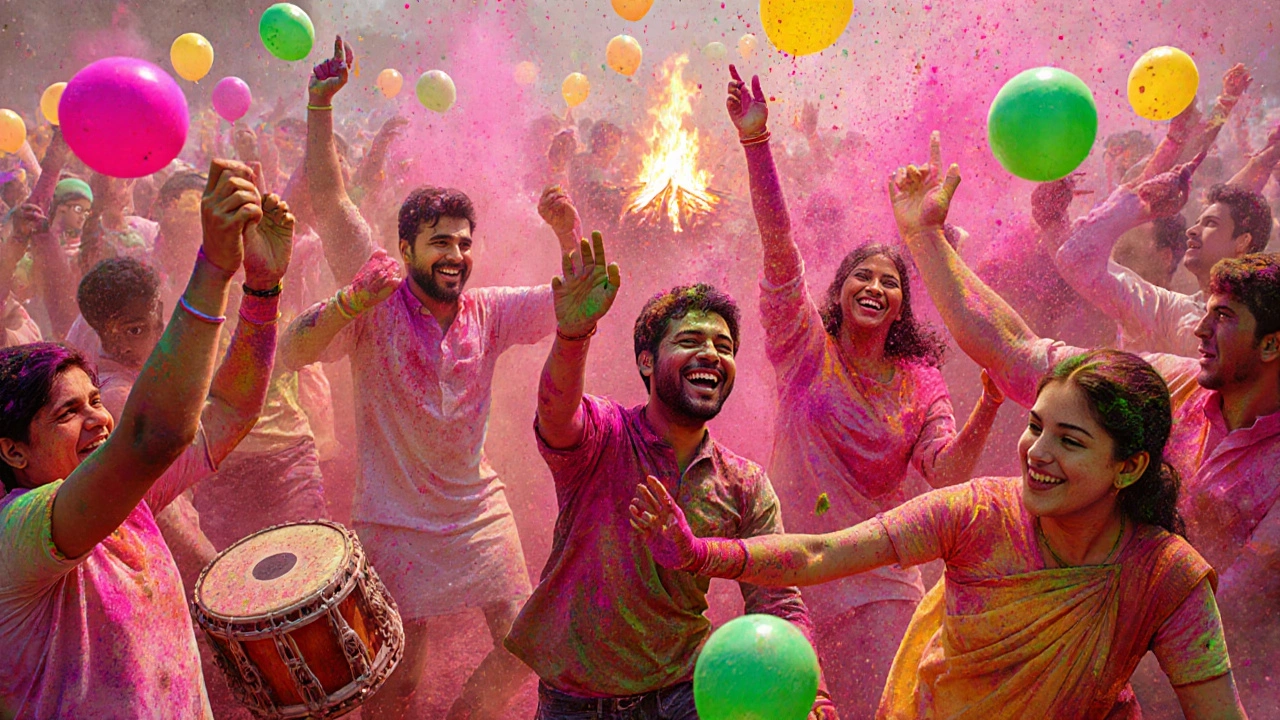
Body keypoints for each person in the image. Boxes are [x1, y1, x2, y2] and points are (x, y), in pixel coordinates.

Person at [883, 133, 1280, 712]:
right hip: (1059, 659)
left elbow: (1239, 603)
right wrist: (924, 237)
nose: (1199, 329)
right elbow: (1018, 352)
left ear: (1271, 346)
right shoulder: (1170, 384)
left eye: (1222, 318)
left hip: (1182, 683)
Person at [630, 348, 1249, 719]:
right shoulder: (978, 512)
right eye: (1035, 426)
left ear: (1130, 466)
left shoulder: (1166, 577)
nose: (1037, 452)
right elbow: (822, 552)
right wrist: (698, 552)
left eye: (1071, 440)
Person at [278, 37, 581, 719]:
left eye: (465, 242)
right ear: (407, 245)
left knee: (524, 644)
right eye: (441, 241)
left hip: (476, 507)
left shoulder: (488, 311)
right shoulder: (376, 290)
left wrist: (568, 232)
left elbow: (572, 299)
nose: (457, 255)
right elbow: (325, 201)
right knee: (399, 674)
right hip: (393, 516)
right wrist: (320, 105)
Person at [723, 65, 1004, 713]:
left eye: (890, 281)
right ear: (839, 291)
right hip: (789, 580)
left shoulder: (920, 381)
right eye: (862, 277)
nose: (876, 287)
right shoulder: (801, 350)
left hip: (881, 584)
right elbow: (778, 245)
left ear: (903, 304)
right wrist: (756, 144)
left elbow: (944, 473)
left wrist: (989, 407)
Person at [0, 158, 292, 716]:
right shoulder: (17, 534)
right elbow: (154, 438)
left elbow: (229, 409)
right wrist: (214, 267)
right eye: (68, 413)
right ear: (13, 450)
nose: (99, 419)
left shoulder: (129, 504)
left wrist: (262, 288)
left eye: (94, 401)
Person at [504, 230, 835, 719]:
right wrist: (572, 336)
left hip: (686, 696)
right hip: (575, 703)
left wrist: (815, 697)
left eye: (724, 346)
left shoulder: (744, 484)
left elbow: (777, 599)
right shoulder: (606, 434)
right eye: (690, 340)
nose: (712, 354)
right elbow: (557, 417)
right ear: (646, 360)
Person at [1055, 165, 1271, 356]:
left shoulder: (1267, 325)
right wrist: (1143, 208)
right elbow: (1076, 260)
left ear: (1242, 242)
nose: (1192, 231)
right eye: (1197, 222)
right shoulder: (1166, 312)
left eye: (1210, 223)